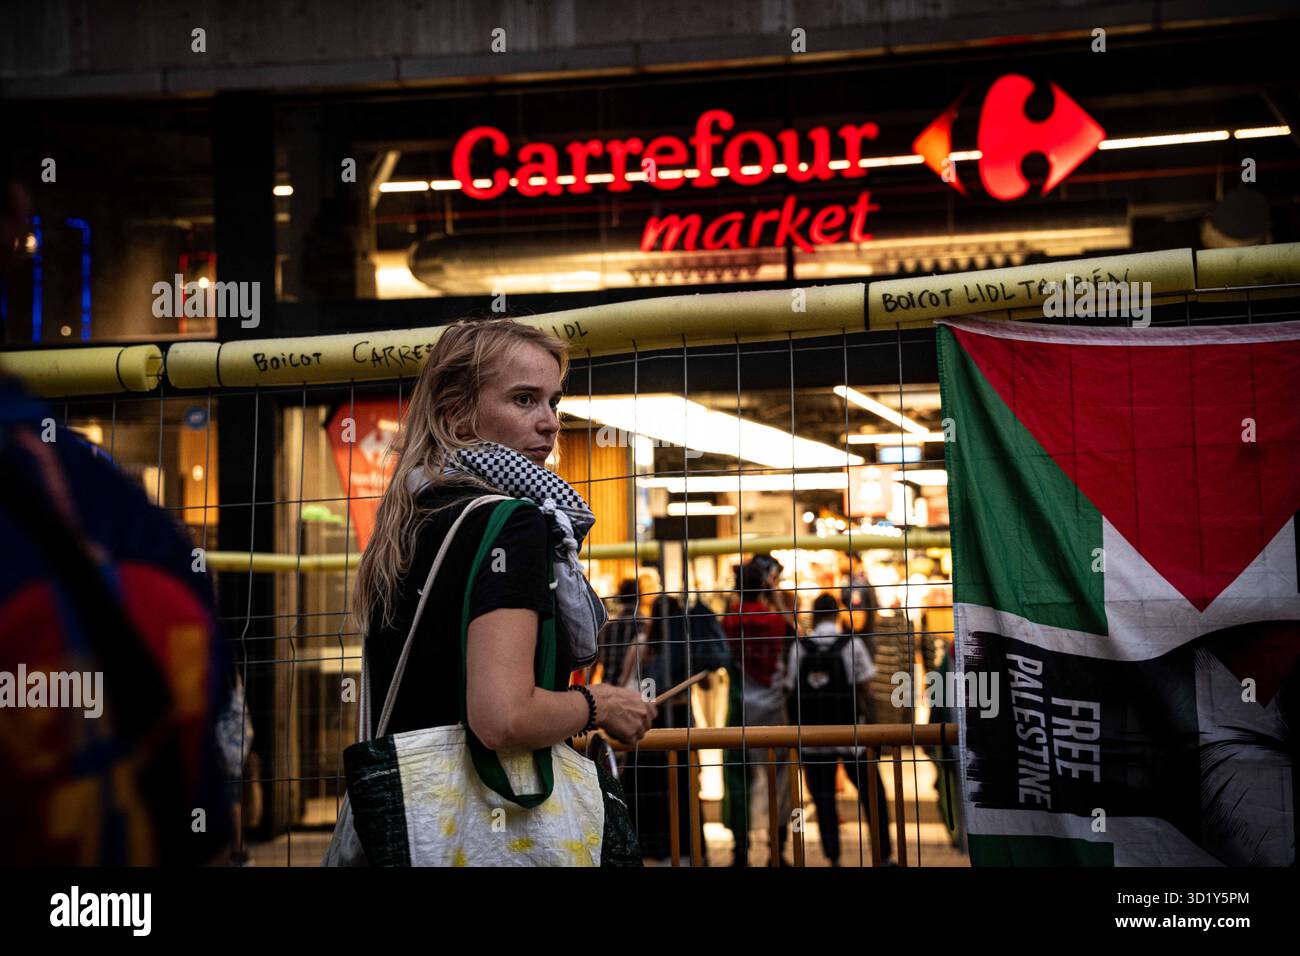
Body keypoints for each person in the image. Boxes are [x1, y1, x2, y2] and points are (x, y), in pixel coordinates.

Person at [352, 316, 658, 864]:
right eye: (523, 400)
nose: (549, 423)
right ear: (456, 412)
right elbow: (503, 717)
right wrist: (602, 703)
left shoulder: (412, 517)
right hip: (489, 827)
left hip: (408, 820)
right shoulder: (514, 524)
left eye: (553, 402)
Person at [784, 592, 893, 865]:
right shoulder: (851, 644)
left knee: (823, 800)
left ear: (814, 615)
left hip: (812, 737)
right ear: (836, 614)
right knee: (872, 794)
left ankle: (833, 858)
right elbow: (866, 680)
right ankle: (882, 856)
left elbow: (789, 686)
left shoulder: (800, 647)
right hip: (850, 734)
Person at [720, 556, 794, 865]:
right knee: (780, 780)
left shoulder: (729, 621)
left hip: (740, 708)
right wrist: (774, 595)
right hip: (774, 708)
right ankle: (777, 850)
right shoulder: (775, 620)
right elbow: (795, 631)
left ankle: (740, 850)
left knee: (739, 779)